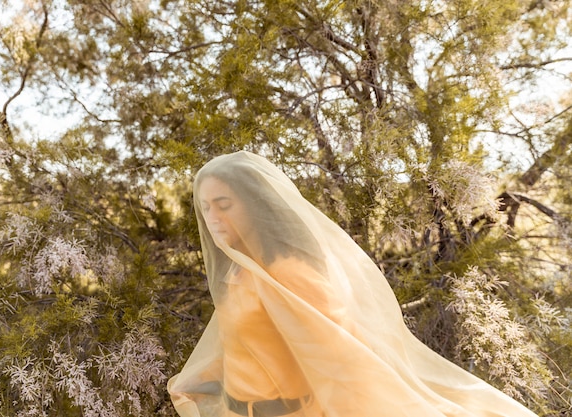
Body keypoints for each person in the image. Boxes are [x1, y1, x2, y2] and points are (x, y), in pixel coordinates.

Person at [167, 151, 539, 417]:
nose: (213, 218)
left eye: (224, 204)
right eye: (205, 208)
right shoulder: (242, 272)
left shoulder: (291, 274)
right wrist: (197, 380)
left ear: (254, 205)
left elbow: (342, 363)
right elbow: (245, 343)